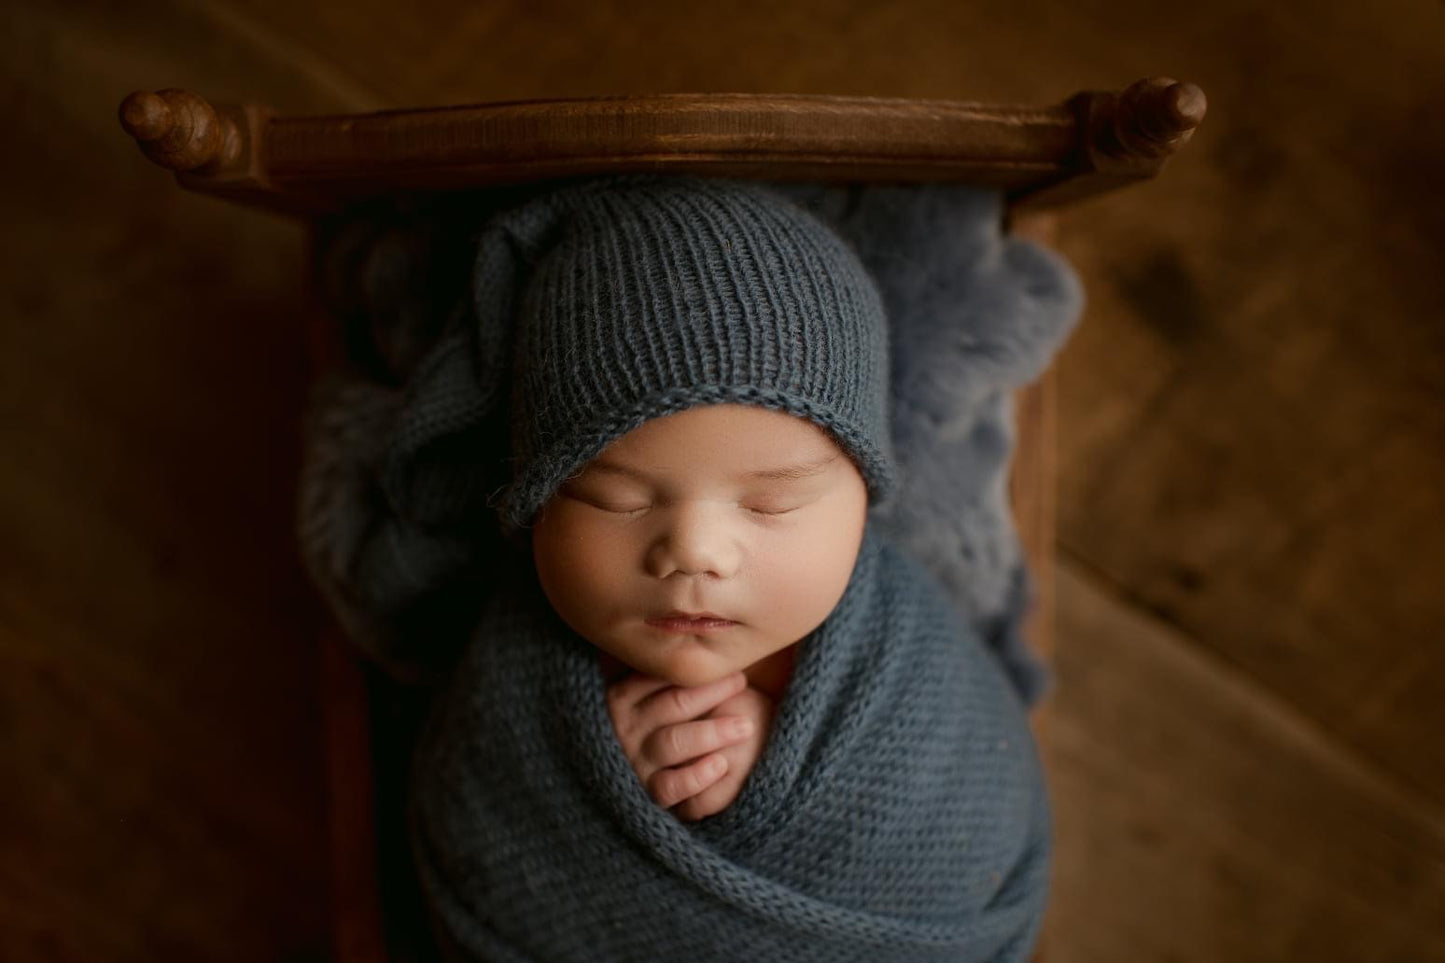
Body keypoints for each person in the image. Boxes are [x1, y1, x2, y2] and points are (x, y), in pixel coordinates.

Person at [376, 174, 1052, 962]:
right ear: (531, 504)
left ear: (864, 501)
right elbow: (474, 822)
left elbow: (977, 816)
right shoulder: (513, 668)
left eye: (771, 504)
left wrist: (791, 777)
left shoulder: (910, 663)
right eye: (612, 497)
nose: (694, 551)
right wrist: (593, 785)